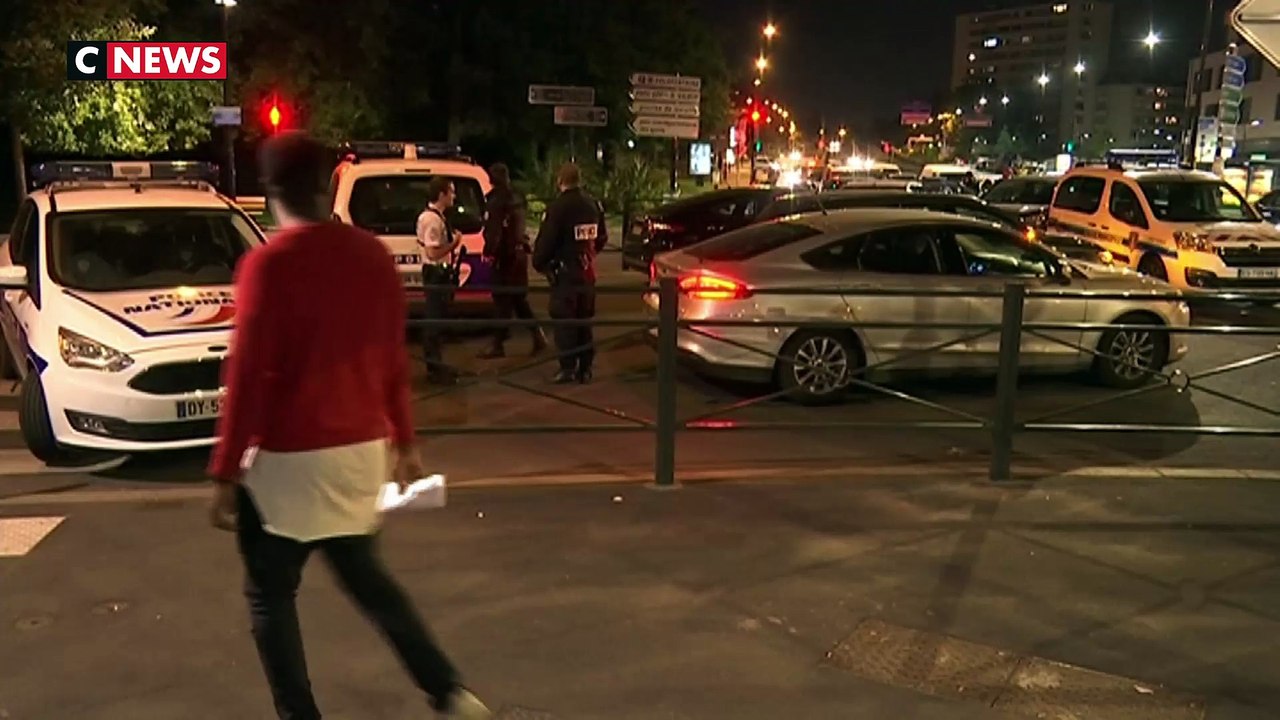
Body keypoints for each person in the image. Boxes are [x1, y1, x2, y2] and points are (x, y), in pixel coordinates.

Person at [207, 131, 491, 720]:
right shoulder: (370, 256)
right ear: (328, 186)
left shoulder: (268, 265)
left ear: (270, 193)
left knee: (270, 594)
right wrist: (406, 442)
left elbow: (251, 375)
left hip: (288, 463)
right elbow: (393, 357)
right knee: (368, 581)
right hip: (360, 453)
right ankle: (448, 692)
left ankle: (299, 714)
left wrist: (226, 472)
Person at [532, 162, 607, 384]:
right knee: (584, 320)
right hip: (586, 272)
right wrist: (589, 254)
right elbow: (601, 237)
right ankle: (585, 367)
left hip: (565, 273)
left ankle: (568, 367)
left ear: (559, 181)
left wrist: (541, 263)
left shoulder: (558, 208)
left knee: (565, 321)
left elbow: (547, 242)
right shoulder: (592, 205)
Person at [477, 163, 547, 359]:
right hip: (519, 255)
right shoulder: (517, 197)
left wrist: (489, 252)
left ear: (492, 179)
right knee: (518, 299)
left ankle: (497, 344)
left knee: (502, 299)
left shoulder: (496, 201)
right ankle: (538, 336)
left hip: (505, 256)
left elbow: (494, 232)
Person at [417, 177, 465, 384]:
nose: (454, 196)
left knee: (438, 319)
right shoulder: (432, 220)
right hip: (435, 273)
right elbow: (433, 252)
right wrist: (454, 243)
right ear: (441, 194)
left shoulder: (437, 217)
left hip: (439, 273)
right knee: (434, 320)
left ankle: (437, 365)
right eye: (451, 192)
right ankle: (435, 369)